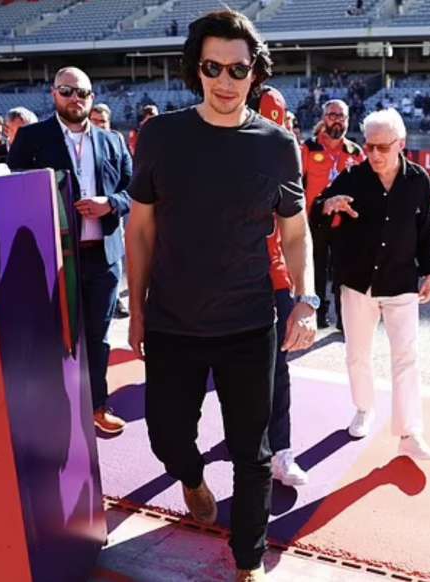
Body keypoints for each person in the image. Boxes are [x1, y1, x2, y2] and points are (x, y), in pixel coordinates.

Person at [125, 11, 317, 582]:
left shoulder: (277, 145)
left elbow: (297, 230)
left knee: (253, 453)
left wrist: (305, 299)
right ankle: (190, 477)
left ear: (255, 71)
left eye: (239, 68)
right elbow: (140, 230)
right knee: (166, 436)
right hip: (172, 322)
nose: (226, 80)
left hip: (248, 322)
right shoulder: (161, 136)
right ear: (197, 68)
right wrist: (136, 310)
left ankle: (249, 561)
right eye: (213, 67)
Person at [7, 67, 133, 435]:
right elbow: (16, 190)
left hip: (103, 256)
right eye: (67, 91)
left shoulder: (113, 141)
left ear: (92, 97)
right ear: (53, 94)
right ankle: (51, 406)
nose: (75, 99)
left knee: (98, 335)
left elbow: (136, 188)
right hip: (56, 256)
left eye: (83, 93)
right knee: (54, 333)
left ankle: (96, 406)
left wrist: (110, 203)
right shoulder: (32, 138)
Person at [313, 108, 430, 461]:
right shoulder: (353, 177)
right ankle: (364, 408)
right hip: (357, 281)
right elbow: (317, 209)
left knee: (407, 358)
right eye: (369, 146)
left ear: (401, 144)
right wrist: (328, 206)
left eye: (382, 147)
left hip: (401, 280)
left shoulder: (418, 180)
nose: (373, 154)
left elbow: (427, 227)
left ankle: (410, 432)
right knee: (357, 354)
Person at [247, 84, 309, 487]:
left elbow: (298, 229)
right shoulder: (223, 152)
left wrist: (308, 296)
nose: (280, 126)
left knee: (278, 370)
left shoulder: (289, 156)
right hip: (231, 279)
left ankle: (280, 451)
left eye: (283, 120)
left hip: (278, 277)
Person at [301, 99, 365, 330]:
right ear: (323, 117)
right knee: (316, 272)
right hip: (315, 221)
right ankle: (318, 316)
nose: (336, 119)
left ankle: (344, 320)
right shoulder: (308, 148)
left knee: (343, 274)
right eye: (332, 114)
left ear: (348, 120)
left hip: (344, 223)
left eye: (342, 116)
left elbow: (365, 189)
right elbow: (296, 186)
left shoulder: (355, 152)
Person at [89, 103, 132, 320]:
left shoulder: (116, 141)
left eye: (102, 121)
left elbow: (131, 185)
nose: (99, 125)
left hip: (112, 221)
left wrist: (112, 202)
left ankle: (116, 299)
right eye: (94, 121)